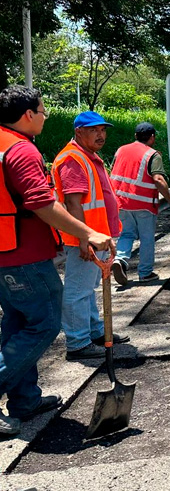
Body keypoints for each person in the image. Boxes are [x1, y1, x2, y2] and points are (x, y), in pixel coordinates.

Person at [0, 86, 114, 436]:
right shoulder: (20, 150)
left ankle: (25, 399)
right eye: (43, 109)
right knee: (46, 322)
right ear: (28, 115)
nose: (46, 115)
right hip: (24, 256)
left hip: (7, 253)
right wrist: (88, 234)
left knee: (18, 325)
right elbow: (40, 202)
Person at [52, 111, 128, 360]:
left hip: (97, 237)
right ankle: (77, 343)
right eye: (94, 130)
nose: (101, 134)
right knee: (78, 290)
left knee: (90, 288)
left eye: (103, 130)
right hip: (86, 240)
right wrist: (84, 240)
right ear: (79, 132)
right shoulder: (73, 159)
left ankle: (96, 332)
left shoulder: (89, 156)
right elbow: (74, 203)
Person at [109, 122, 170, 285]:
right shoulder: (152, 155)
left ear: (135, 136)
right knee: (147, 238)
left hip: (120, 202)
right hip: (143, 204)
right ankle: (145, 273)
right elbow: (158, 179)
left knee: (126, 234)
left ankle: (120, 260)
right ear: (152, 137)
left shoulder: (121, 150)